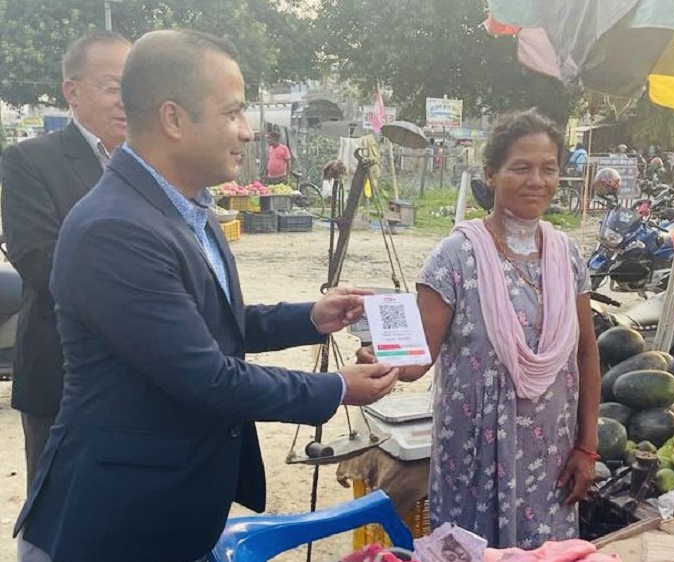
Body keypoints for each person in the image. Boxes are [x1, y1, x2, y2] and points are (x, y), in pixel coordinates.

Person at [14, 29, 399, 562]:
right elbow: (205, 376)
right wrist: (335, 388)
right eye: (233, 112)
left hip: (169, 513)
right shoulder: (115, 228)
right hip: (113, 524)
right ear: (173, 119)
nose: (247, 132)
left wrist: (311, 317)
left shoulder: (185, 208)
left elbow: (212, 323)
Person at [359, 110, 601, 549]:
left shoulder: (568, 256)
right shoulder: (454, 257)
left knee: (546, 556)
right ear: (491, 173)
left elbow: (585, 353)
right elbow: (418, 357)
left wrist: (587, 447)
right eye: (521, 168)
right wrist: (383, 360)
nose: (536, 181)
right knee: (472, 552)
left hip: (550, 459)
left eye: (548, 169)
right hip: (474, 461)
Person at [0, 31, 131, 494]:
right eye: (112, 86)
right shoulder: (30, 161)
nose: (126, 99)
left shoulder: (154, 162)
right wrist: (146, 284)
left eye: (134, 85)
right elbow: (40, 261)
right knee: (60, 507)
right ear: (71, 92)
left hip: (147, 373)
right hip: (64, 375)